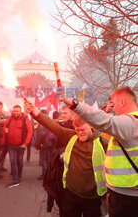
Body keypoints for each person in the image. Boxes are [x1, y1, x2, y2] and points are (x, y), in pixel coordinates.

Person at [60, 86, 138, 217]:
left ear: (123, 101)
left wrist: (75, 104)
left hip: (127, 198)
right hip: (123, 193)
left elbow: (106, 121)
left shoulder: (131, 123)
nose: (113, 107)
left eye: (113, 102)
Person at [24, 102, 108, 217]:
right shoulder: (71, 136)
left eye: (82, 130)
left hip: (93, 197)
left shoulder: (103, 143)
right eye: (77, 130)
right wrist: (35, 112)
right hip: (71, 194)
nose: (79, 133)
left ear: (91, 126)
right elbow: (53, 126)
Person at [4, 105, 33, 188]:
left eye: (17, 111)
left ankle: (18, 178)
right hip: (11, 145)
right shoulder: (10, 118)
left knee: (19, 161)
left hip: (21, 145)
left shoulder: (25, 119)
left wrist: (25, 143)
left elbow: (30, 132)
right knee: (13, 161)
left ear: (20, 111)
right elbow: (5, 125)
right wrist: (5, 129)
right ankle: (15, 179)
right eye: (14, 111)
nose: (15, 112)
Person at [0, 101, 8, 176]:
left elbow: (7, 124)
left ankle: (0, 167)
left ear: (2, 107)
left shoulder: (4, 115)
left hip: (3, 138)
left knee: (2, 154)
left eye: (0, 107)